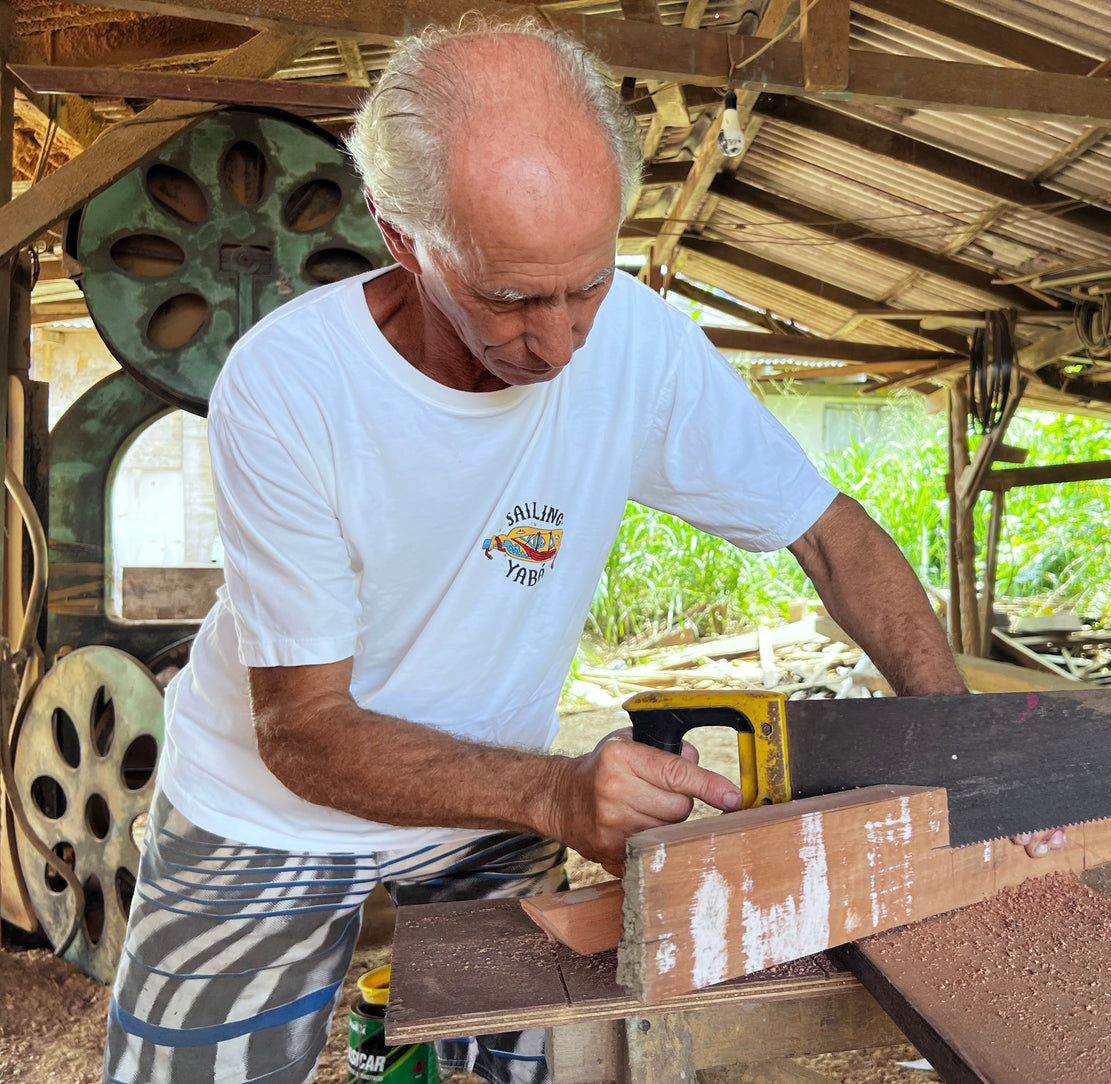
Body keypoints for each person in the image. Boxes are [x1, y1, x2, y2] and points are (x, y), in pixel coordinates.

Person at [103, 17, 1055, 1084]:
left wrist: (962, 747)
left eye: (586, 285)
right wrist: (560, 798)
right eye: (507, 298)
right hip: (264, 812)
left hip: (485, 798)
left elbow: (829, 536)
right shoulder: (289, 387)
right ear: (401, 236)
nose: (556, 344)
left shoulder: (640, 345)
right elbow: (302, 729)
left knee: (546, 1062)